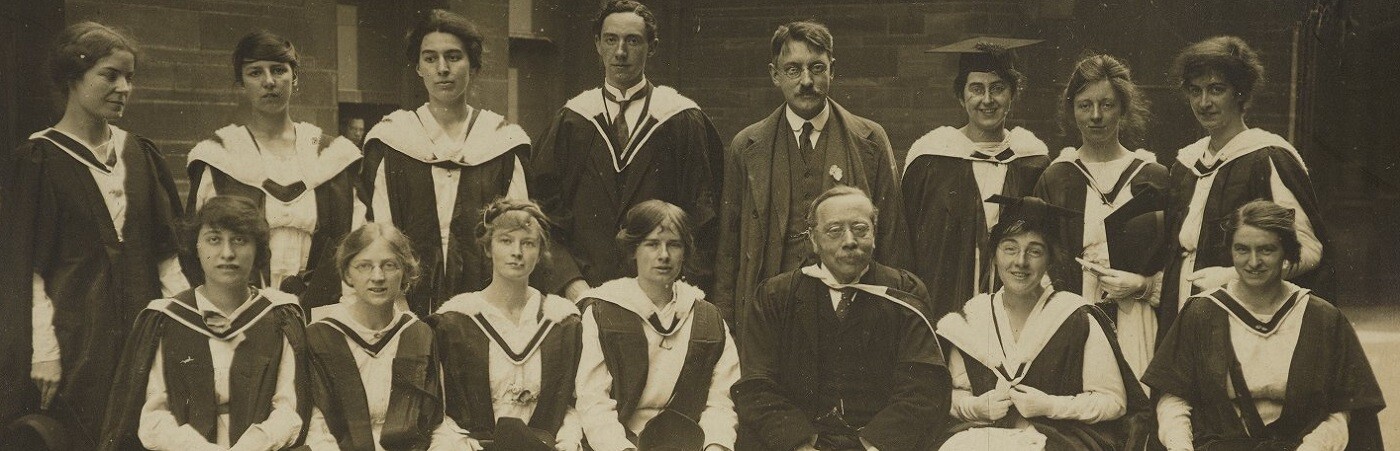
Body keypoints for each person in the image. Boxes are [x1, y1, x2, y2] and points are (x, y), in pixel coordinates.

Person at [0, 22, 188, 447]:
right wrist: (44, 351)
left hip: (143, 336)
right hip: (73, 344)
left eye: (130, 77)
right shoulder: (39, 160)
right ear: (73, 77)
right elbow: (24, 271)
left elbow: (167, 257)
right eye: (110, 75)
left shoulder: (140, 154)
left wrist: (185, 323)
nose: (124, 88)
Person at [1144, 200, 1384, 450]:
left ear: (1287, 253)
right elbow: (1173, 398)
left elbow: (1343, 411)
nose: (1253, 261)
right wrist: (1181, 447)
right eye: (1242, 249)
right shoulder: (1202, 313)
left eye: (1266, 250)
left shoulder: (1321, 318)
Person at [718, 20, 910, 325]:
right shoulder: (747, 145)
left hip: (850, 310)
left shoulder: (870, 140)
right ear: (775, 75)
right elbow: (728, 249)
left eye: (817, 68)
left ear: (832, 70)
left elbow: (892, 239)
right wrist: (725, 325)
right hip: (771, 311)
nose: (806, 80)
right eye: (793, 69)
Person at [530, 0, 724, 301]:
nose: (620, 52)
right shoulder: (573, 120)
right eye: (611, 40)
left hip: (663, 296)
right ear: (597, 44)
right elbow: (543, 214)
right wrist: (570, 284)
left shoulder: (680, 119)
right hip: (582, 296)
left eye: (632, 41)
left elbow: (703, 218)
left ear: (652, 46)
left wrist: (679, 291)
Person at [734, 186, 947, 451]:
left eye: (860, 229)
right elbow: (757, 384)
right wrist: (799, 445)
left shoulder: (905, 293)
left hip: (880, 444)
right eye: (834, 231)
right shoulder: (776, 296)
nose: (849, 241)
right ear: (813, 239)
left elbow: (922, 389)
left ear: (874, 234)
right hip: (799, 442)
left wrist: (875, 446)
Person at [935, 195, 1149, 451]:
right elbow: (953, 395)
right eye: (1010, 248)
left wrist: (1050, 406)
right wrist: (975, 407)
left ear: (1050, 259)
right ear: (994, 255)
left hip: (1061, 439)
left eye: (1034, 251)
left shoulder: (1076, 317)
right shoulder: (972, 320)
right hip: (987, 436)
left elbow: (1113, 402)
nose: (1021, 262)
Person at [100, 196, 309, 451]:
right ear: (196, 248)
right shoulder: (165, 320)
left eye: (240, 240)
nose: (227, 253)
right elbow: (153, 418)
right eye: (214, 239)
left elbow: (289, 409)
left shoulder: (278, 317)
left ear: (258, 250)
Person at [362, 9, 531, 317]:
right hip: (403, 306)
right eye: (430, 58)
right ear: (418, 67)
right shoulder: (393, 139)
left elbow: (516, 233)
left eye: (454, 57)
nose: (442, 69)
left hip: (488, 309)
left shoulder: (502, 142)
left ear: (473, 66)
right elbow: (378, 230)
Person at [1161, 36, 1330, 333]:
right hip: (1182, 315)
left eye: (1216, 90)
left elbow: (1308, 249)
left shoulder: (1268, 157)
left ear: (1240, 93)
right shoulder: (1186, 164)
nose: (1204, 102)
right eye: (1195, 91)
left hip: (1246, 319)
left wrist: (1235, 277)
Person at [186, 30, 362, 307]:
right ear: (240, 83)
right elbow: (195, 249)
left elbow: (356, 244)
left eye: (278, 70)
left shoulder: (331, 156)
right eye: (255, 73)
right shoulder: (220, 158)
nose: (269, 82)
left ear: (295, 77)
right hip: (240, 311)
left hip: (323, 312)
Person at [1032, 54, 1168, 383]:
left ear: (1123, 108)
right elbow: (1038, 255)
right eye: (1084, 105)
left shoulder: (1153, 176)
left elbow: (1177, 260)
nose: (1096, 116)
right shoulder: (1056, 178)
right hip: (1071, 319)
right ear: (1071, 109)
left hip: (1138, 320)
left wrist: (1143, 286)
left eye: (1107, 104)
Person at [904, 37, 1050, 322]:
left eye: (997, 89)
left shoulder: (1032, 162)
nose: (987, 100)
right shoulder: (930, 161)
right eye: (976, 89)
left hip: (1014, 309)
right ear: (961, 96)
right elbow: (906, 241)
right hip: (943, 304)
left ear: (1012, 95)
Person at [575, 200, 739, 451]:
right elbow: (593, 400)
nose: (664, 255)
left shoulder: (707, 318)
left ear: (685, 252)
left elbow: (720, 400)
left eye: (674, 245)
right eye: (652, 244)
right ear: (633, 249)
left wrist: (715, 445)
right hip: (618, 442)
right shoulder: (603, 312)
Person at [431, 198, 583, 450]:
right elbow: (441, 413)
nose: (517, 252)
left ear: (541, 250)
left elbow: (572, 404)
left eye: (528, 243)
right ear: (488, 248)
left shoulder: (563, 321)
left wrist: (567, 440)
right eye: (506, 241)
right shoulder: (455, 321)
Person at [302, 223, 446, 450]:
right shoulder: (320, 336)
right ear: (347, 273)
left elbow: (436, 421)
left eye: (389, 265)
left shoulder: (419, 334)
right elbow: (315, 427)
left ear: (405, 272)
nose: (377, 277)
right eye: (364, 266)